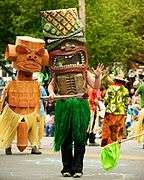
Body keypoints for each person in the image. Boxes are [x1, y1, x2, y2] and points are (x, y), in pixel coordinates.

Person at [41, 8, 103, 178]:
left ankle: (78, 168)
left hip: (80, 105)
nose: (66, 47)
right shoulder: (56, 71)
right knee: (66, 139)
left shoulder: (84, 70)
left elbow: (96, 86)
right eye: (61, 45)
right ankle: (66, 167)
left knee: (79, 139)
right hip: (63, 105)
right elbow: (51, 86)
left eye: (71, 43)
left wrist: (97, 77)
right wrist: (52, 93)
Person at [0, 36, 49, 155]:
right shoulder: (10, 84)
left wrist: (37, 112)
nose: (32, 58)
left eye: (38, 55)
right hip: (13, 111)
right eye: (24, 52)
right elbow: (4, 98)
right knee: (10, 128)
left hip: (31, 111)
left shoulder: (36, 85)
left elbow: (37, 99)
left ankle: (35, 145)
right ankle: (7, 145)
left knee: (34, 127)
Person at [101, 74, 129, 147]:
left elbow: (106, 101)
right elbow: (126, 102)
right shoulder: (125, 90)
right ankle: (116, 146)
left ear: (115, 81)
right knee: (118, 130)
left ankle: (107, 146)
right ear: (123, 82)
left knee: (108, 130)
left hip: (110, 112)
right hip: (120, 113)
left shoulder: (110, 89)